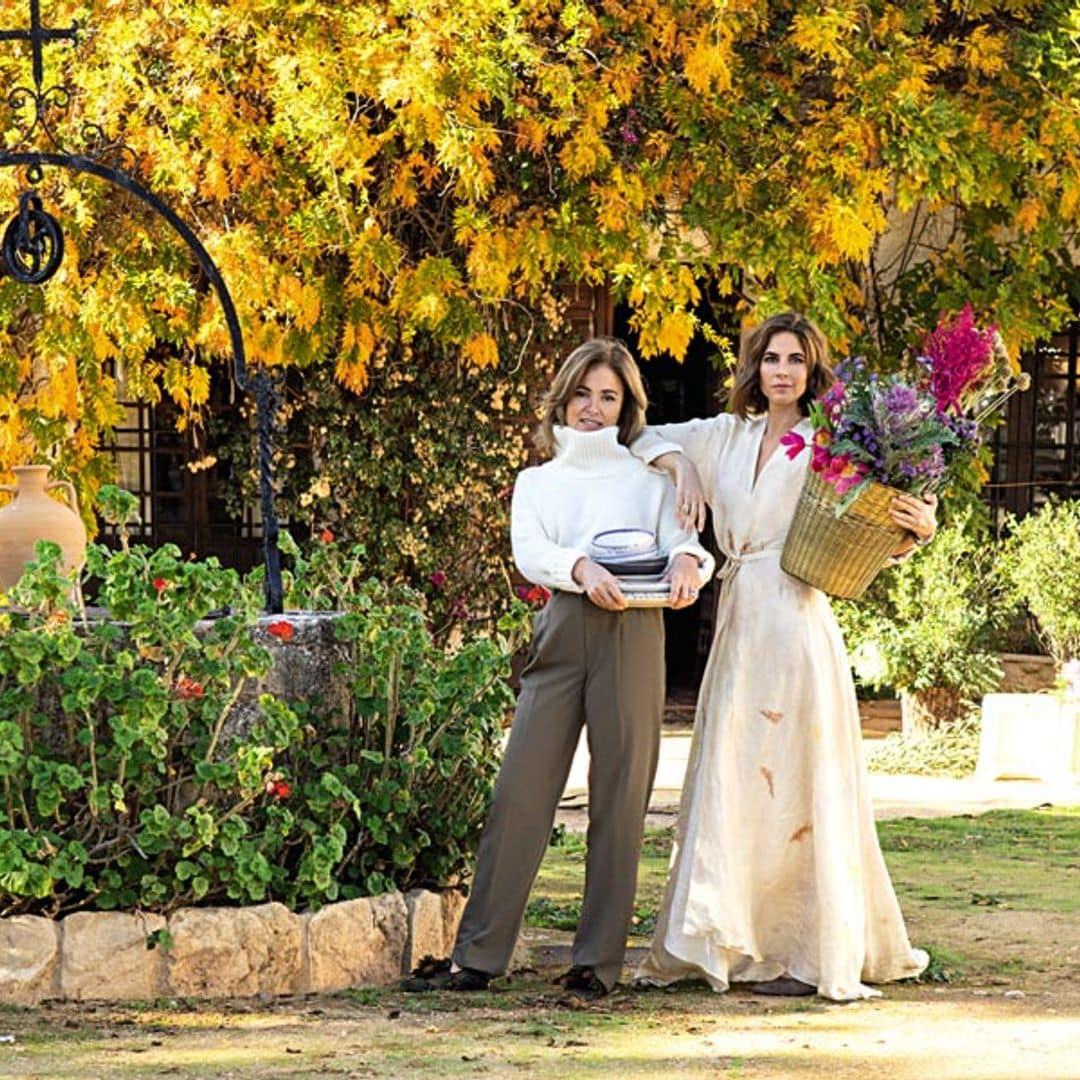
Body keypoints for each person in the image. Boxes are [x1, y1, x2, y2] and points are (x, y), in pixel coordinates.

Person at [630, 312, 935, 1002]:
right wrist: (681, 468)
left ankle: (807, 949)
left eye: (796, 359)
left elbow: (874, 523)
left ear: (812, 370)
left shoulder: (830, 443)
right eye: (771, 358)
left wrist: (919, 530)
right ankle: (735, 942)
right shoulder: (722, 436)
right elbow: (640, 438)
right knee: (738, 775)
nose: (783, 371)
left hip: (799, 620)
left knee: (800, 779)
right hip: (738, 620)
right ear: (754, 367)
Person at [403, 337, 714, 999]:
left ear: (627, 406)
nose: (594, 409)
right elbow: (530, 549)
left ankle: (596, 964)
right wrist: (580, 567)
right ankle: (478, 956)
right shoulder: (537, 483)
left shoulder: (649, 478)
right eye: (583, 393)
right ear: (563, 396)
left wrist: (690, 561)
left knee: (621, 798)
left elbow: (681, 541)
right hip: (566, 624)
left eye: (609, 397)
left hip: (636, 627)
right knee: (521, 790)